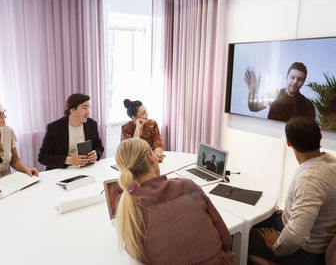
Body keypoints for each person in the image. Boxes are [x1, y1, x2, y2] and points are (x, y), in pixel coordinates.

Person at [115, 138, 235, 264]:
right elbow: (227, 241)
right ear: (150, 157)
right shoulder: (187, 186)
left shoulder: (131, 206)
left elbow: (136, 253)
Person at [249, 116, 336, 265]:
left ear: (288, 142)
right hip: (309, 232)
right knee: (251, 219)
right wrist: (291, 211)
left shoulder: (309, 179)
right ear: (320, 136)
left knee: (237, 235)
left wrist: (276, 245)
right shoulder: (330, 162)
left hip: (303, 251)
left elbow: (296, 236)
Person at [38, 93, 104, 170]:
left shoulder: (92, 124)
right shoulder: (54, 128)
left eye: (88, 108)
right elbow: (42, 157)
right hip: (62, 171)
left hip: (86, 168)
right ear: (72, 110)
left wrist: (96, 154)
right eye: (84, 108)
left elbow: (99, 146)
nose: (88, 112)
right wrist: (68, 160)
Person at [245, 62, 315, 122]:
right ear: (286, 77)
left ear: (304, 81)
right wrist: (253, 91)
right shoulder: (274, 95)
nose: (295, 82)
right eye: (292, 77)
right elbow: (253, 107)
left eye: (300, 79)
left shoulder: (308, 105)